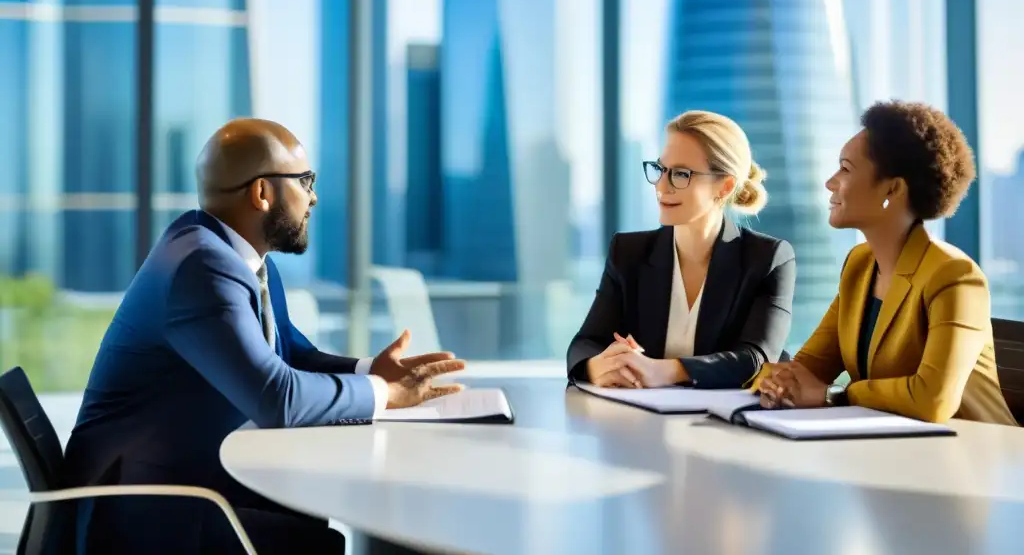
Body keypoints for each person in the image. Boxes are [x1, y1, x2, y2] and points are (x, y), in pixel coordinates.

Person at [62, 119, 467, 554]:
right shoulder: (201, 266)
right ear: (261, 193)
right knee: (314, 535)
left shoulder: (238, 257)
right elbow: (279, 398)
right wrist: (382, 393)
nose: (312, 196)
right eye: (305, 181)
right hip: (139, 509)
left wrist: (371, 370)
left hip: (179, 476)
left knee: (312, 514)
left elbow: (291, 353)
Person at [755, 100, 1017, 425]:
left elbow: (932, 400)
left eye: (846, 169)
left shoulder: (955, 276)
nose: (830, 182)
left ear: (892, 189)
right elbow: (808, 369)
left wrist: (833, 395)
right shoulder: (859, 265)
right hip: (890, 449)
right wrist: (777, 383)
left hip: (972, 459)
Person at [567, 110, 796, 390]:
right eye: (661, 169)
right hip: (640, 421)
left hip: (726, 426)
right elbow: (585, 343)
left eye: (681, 174)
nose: (662, 186)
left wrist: (664, 370)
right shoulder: (628, 253)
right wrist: (597, 365)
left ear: (724, 187)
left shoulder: (768, 259)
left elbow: (755, 358)